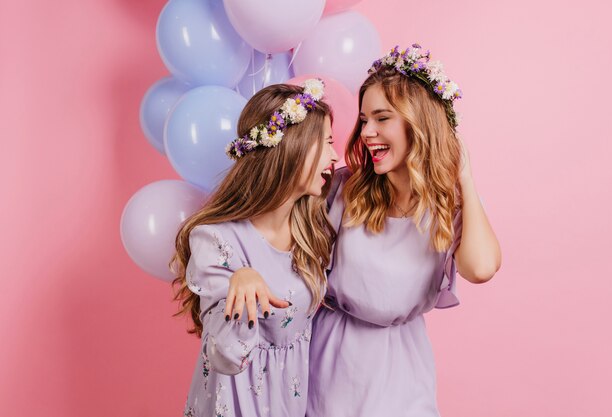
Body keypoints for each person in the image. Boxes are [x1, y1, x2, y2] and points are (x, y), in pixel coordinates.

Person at [226, 44, 502, 417]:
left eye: (382, 118)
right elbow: (268, 228)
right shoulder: (344, 188)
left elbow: (481, 268)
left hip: (402, 369)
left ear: (418, 124)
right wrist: (240, 272)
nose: (367, 132)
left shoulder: (447, 206)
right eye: (364, 119)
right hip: (331, 360)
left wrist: (463, 176)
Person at [169, 80, 338, 417]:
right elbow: (224, 355)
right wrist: (241, 282)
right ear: (294, 147)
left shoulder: (311, 230)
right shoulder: (216, 240)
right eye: (327, 143)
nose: (335, 156)